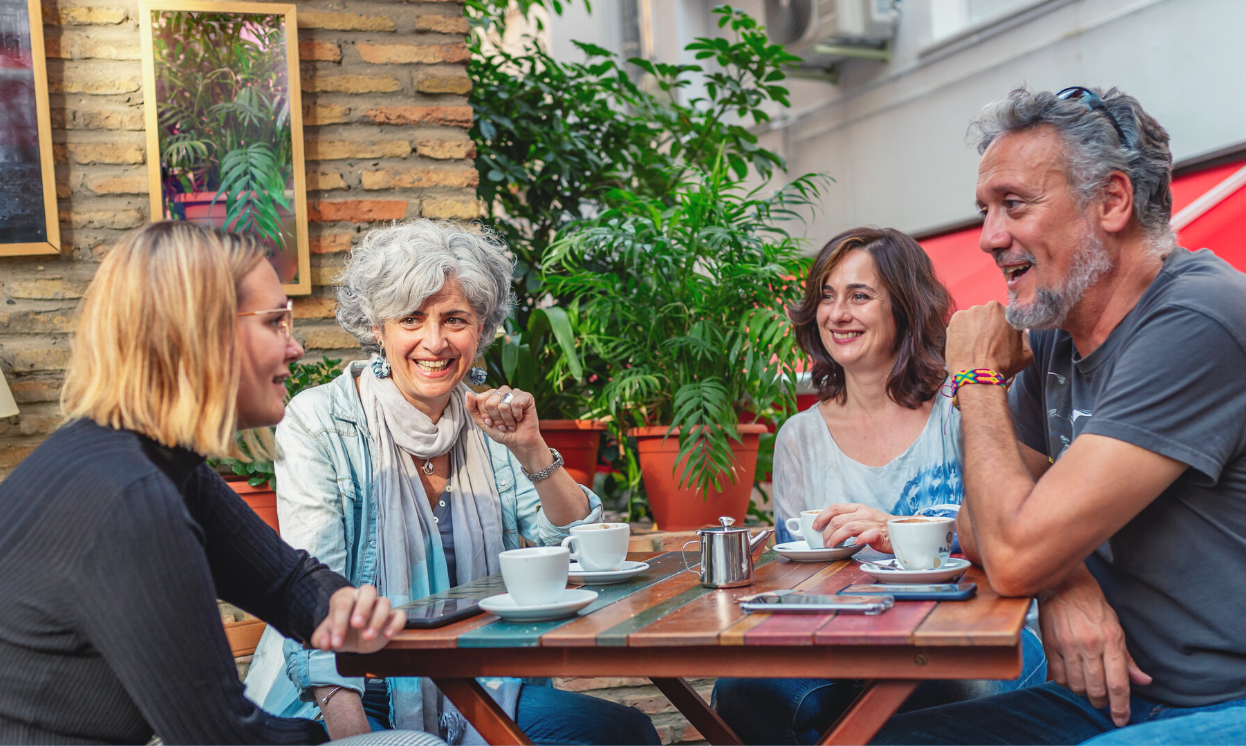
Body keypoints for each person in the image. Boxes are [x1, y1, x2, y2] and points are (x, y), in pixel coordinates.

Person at [872, 86, 1246, 744]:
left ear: (1111, 201)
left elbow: (1012, 552)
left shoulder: (1199, 319)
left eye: (1013, 204)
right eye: (985, 210)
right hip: (1115, 701)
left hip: (1222, 707)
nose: (989, 238)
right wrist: (1064, 577)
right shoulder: (1055, 331)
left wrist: (977, 377)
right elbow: (981, 520)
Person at [0, 222, 438, 745]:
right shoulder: (128, 500)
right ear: (201, 333)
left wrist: (338, 606)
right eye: (275, 322)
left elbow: (285, 582)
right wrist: (322, 738)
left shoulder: (154, 464)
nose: (295, 347)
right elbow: (221, 738)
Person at [244, 220, 661, 746]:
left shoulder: (487, 422)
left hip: (480, 679)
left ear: (481, 327)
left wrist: (529, 448)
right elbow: (310, 602)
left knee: (624, 734)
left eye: (455, 319)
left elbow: (573, 542)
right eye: (411, 318)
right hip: (346, 686)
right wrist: (353, 740)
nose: (434, 342)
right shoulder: (321, 421)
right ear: (379, 328)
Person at [712, 228, 1045, 745]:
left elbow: (1023, 533)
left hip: (969, 634)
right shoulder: (799, 436)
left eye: (859, 296)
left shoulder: (966, 405)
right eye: (826, 295)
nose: (837, 313)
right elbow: (798, 573)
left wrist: (901, 531)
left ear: (905, 308)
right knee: (744, 694)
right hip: (840, 644)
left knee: (973, 690)